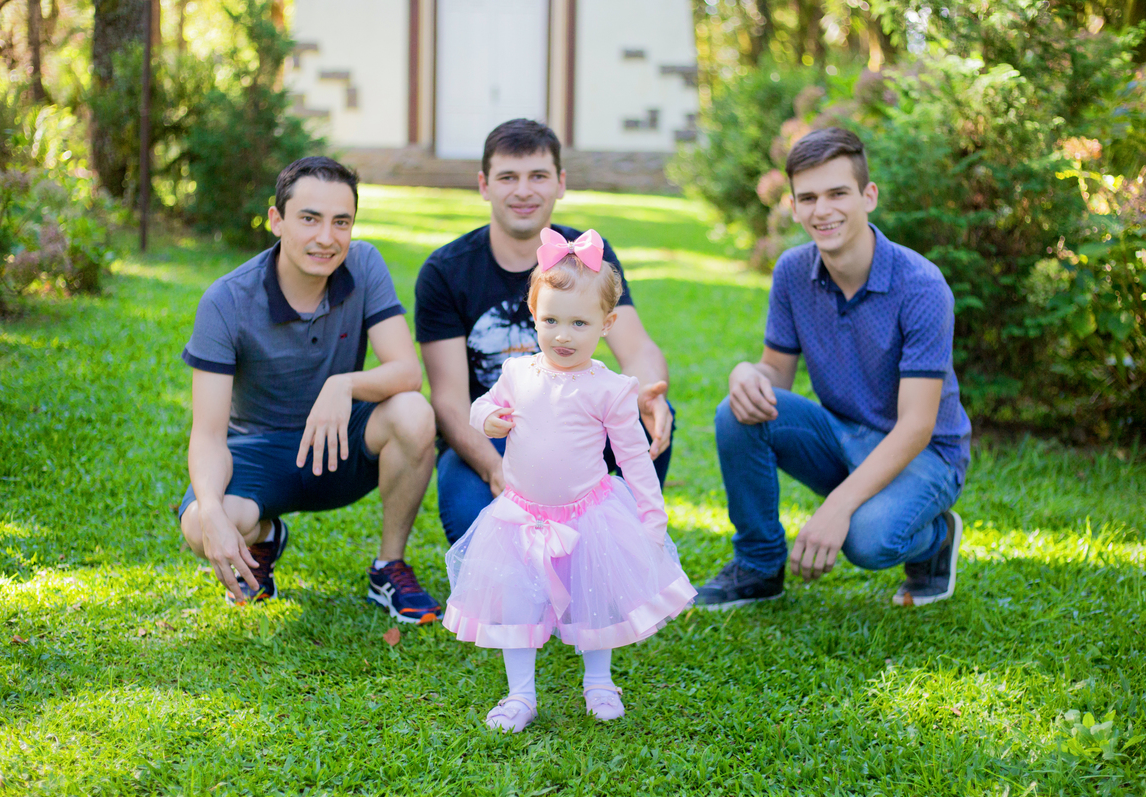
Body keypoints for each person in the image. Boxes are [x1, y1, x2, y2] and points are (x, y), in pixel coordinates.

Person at [695, 128, 971, 609]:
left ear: (869, 197)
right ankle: (759, 567)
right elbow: (775, 375)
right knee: (735, 412)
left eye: (838, 193)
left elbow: (917, 426)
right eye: (808, 198)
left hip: (928, 455)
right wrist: (746, 373)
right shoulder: (792, 271)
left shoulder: (921, 286)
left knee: (867, 540)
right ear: (795, 207)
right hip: (842, 434)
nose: (822, 210)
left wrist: (836, 507)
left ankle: (935, 541)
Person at [441, 230, 696, 733]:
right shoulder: (518, 372)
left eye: (579, 323)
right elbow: (482, 405)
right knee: (517, 603)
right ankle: (521, 695)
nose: (562, 335)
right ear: (533, 313)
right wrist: (488, 418)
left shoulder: (611, 388)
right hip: (519, 514)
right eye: (550, 319)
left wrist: (651, 517)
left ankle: (598, 682)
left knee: (593, 598)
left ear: (607, 324)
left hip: (589, 512)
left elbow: (634, 457)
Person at [177, 156, 443, 624]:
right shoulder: (226, 300)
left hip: (340, 445)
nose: (326, 238)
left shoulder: (364, 264)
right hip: (258, 454)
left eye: (341, 222)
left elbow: (406, 371)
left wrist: (344, 384)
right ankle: (263, 537)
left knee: (413, 412)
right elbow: (208, 435)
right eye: (309, 219)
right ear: (276, 220)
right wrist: (215, 510)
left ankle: (389, 566)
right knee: (201, 523)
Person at [415, 119, 674, 545]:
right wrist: (497, 472)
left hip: (582, 423)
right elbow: (449, 400)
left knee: (644, 417)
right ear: (484, 185)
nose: (523, 191)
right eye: (507, 177)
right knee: (473, 529)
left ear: (560, 182)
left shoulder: (587, 254)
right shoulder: (446, 271)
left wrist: (649, 390)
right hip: (494, 434)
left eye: (537, 176)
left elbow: (637, 346)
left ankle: (612, 538)